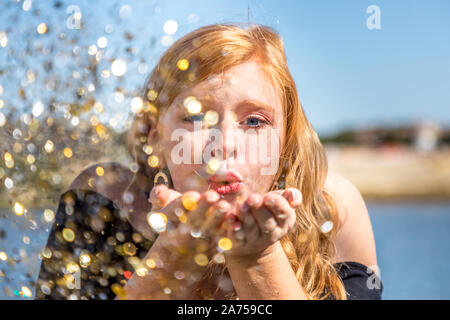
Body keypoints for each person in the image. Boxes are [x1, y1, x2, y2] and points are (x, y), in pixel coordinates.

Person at [36, 23, 382, 300]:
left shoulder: (330, 210)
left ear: (285, 141)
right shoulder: (107, 200)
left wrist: (257, 256)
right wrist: (176, 250)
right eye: (196, 117)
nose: (224, 145)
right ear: (154, 138)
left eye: (254, 122)